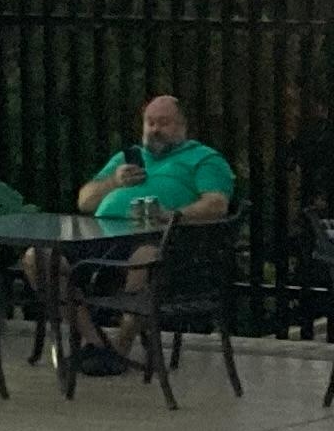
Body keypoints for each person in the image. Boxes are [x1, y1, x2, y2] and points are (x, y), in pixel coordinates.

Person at [59, 95, 234, 377]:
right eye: (149, 123)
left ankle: (120, 348)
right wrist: (114, 181)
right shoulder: (127, 157)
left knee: (145, 257)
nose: (154, 130)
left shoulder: (203, 159)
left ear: (182, 126)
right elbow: (85, 201)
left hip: (162, 245)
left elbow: (216, 204)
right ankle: (96, 343)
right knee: (38, 258)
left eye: (163, 123)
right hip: (101, 239)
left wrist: (171, 215)